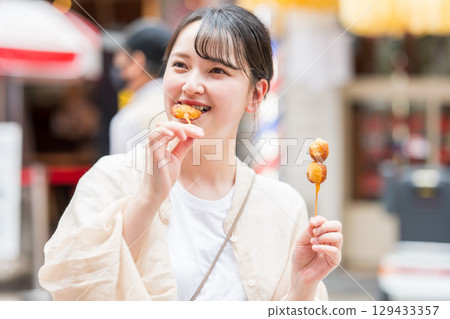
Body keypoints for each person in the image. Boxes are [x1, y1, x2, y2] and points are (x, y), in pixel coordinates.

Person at [39, 5, 343, 301]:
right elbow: (74, 295)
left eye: (217, 70)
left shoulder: (283, 206)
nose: (191, 85)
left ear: (256, 94)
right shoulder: (109, 180)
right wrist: (148, 198)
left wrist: (303, 286)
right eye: (180, 65)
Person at [109, 20, 171, 154]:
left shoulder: (127, 119)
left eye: (123, 58)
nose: (118, 69)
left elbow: (121, 174)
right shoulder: (185, 109)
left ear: (138, 61)